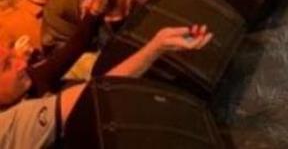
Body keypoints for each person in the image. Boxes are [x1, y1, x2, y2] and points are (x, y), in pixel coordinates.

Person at [0, 24, 212, 148]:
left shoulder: (30, 81)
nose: (22, 64)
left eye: (13, 57)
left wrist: (157, 46)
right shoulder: (6, 128)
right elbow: (94, 94)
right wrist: (155, 47)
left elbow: (97, 89)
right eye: (6, 65)